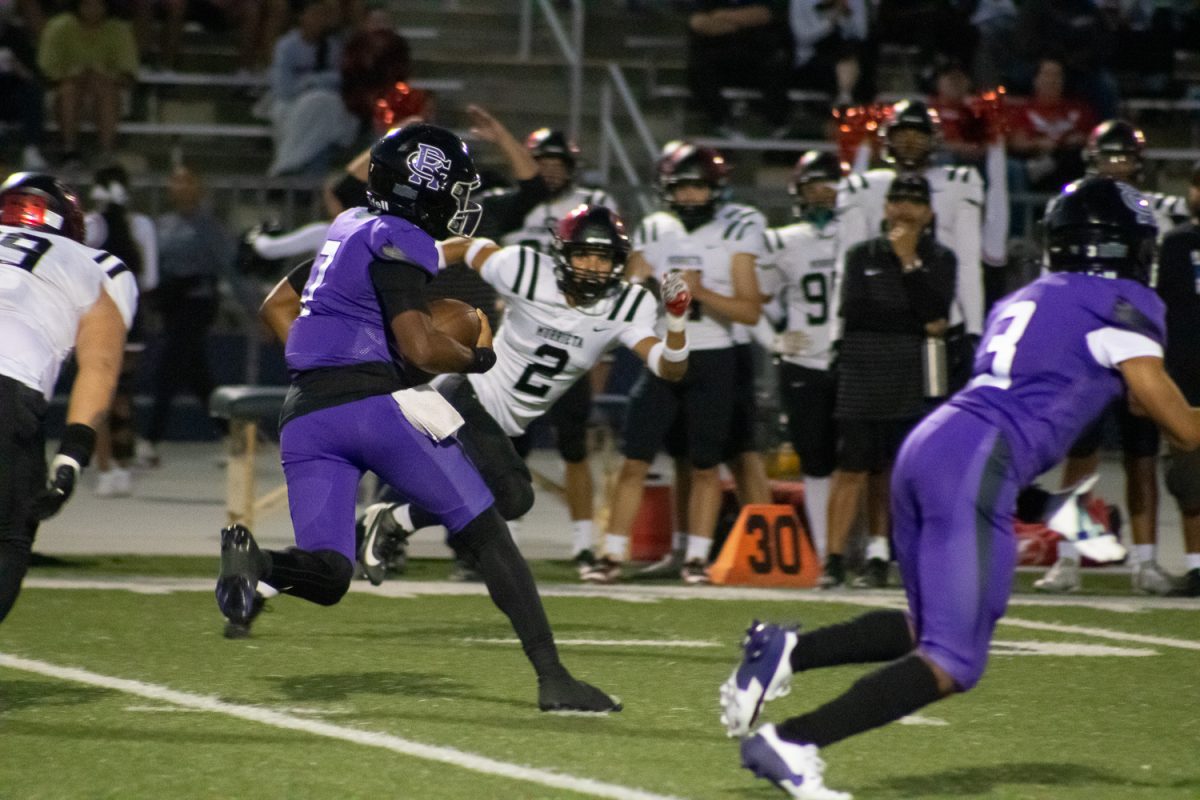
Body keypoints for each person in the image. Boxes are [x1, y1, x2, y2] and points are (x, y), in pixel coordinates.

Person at [718, 175, 1200, 800]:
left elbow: (1063, 396)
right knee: (954, 660)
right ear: (1127, 247)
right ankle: (793, 742)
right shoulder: (1124, 302)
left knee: (930, 625)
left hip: (937, 444)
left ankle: (786, 650)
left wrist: (1050, 507)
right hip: (975, 460)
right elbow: (1182, 429)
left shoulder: (1031, 296)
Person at [216, 123, 620, 713]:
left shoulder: (348, 226)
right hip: (373, 409)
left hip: (306, 413)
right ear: (422, 187)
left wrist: (334, 360)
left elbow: (279, 305)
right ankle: (554, 678)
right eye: (454, 187)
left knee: (329, 574)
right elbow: (422, 350)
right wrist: (479, 354)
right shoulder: (402, 238)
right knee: (489, 533)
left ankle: (259, 563)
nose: (461, 202)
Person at [262, 205, 691, 584]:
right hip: (465, 396)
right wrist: (407, 265)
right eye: (583, 253)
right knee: (512, 497)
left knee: (483, 500)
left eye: (603, 257)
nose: (592, 267)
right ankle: (373, 530)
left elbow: (669, 368)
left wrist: (675, 323)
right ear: (562, 254)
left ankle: (355, 537)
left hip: (506, 421)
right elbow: (472, 249)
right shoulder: (526, 269)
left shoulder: (627, 305)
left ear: (619, 263)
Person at [582, 142, 762, 585]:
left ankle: (697, 558)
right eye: (682, 188)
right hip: (664, 354)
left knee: (705, 465)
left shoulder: (734, 230)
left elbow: (750, 311)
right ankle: (612, 554)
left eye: (698, 188)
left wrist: (698, 292)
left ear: (715, 190)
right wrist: (639, 284)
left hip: (715, 355)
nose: (689, 197)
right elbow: (630, 288)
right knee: (634, 459)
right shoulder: (656, 228)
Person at [1035, 119, 1184, 595]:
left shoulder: (1156, 210)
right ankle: (1067, 556)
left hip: (1138, 338)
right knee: (1080, 456)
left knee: (1143, 454)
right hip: (1088, 342)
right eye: (1109, 157)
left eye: (1124, 158)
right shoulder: (1069, 206)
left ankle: (1144, 561)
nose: (1116, 166)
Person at [0, 171, 136, 624]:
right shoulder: (95, 265)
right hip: (8, 387)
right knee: (10, 536)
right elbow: (99, 365)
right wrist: (72, 456)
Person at [822, 175, 956, 589]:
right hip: (862, 370)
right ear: (885, 207)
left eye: (915, 201)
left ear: (929, 212)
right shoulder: (862, 254)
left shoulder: (941, 258)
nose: (905, 207)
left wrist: (909, 265)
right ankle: (833, 559)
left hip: (908, 374)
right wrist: (916, 319)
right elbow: (856, 311)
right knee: (851, 467)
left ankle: (880, 555)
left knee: (891, 470)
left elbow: (936, 310)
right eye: (898, 199)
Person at [758, 150, 843, 561]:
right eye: (815, 187)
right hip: (805, 363)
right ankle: (827, 553)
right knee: (816, 462)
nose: (823, 195)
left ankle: (859, 550)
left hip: (852, 361)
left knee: (860, 463)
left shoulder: (861, 235)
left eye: (831, 186)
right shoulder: (784, 240)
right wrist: (772, 340)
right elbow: (752, 301)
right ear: (800, 192)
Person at [143, 164, 233, 462]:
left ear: (199, 187)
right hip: (172, 303)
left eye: (187, 181)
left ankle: (151, 439)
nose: (180, 187)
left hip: (198, 301)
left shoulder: (209, 226)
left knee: (170, 366)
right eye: (175, 181)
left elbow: (228, 268)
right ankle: (232, 434)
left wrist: (255, 307)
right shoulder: (162, 225)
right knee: (196, 373)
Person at [83, 163, 157, 496]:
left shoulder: (89, 224)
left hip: (99, 313)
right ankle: (123, 467)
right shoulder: (140, 224)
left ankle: (105, 469)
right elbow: (151, 279)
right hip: (132, 313)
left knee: (99, 391)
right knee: (122, 395)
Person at [1156, 162, 1200, 596]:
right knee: (1188, 476)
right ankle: (1196, 567)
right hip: (1186, 370)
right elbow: (1157, 310)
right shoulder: (1174, 243)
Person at [36, 0, 139, 164]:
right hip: (64, 87)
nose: (93, 9)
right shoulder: (59, 26)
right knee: (70, 90)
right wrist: (74, 75)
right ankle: (69, 150)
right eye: (88, 4)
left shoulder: (119, 29)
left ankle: (107, 152)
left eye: (98, 4)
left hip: (107, 88)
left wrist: (102, 76)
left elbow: (128, 73)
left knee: (105, 89)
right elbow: (46, 70)